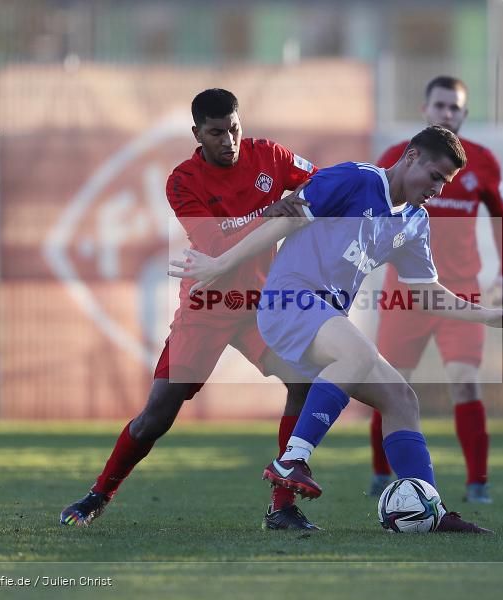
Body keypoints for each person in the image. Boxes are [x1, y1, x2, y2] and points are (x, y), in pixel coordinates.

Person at [173, 126, 503, 533]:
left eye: (445, 182)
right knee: (359, 353)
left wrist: (491, 315)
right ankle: (291, 459)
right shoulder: (355, 179)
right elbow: (284, 223)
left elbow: (426, 294)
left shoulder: (415, 222)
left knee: (402, 399)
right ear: (411, 157)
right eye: (435, 176)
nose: (438, 189)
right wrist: (220, 264)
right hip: (287, 301)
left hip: (324, 318)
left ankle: (431, 509)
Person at [60, 88, 322, 531]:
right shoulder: (182, 179)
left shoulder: (271, 156)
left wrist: (314, 202)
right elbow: (216, 244)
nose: (229, 141)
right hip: (208, 304)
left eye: (234, 129)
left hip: (261, 305)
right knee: (157, 415)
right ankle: (98, 494)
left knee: (303, 380)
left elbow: (319, 182)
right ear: (197, 133)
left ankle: (282, 506)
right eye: (217, 133)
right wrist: (272, 212)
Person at [370, 75, 503, 503]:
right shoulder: (397, 158)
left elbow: (500, 215)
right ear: (425, 110)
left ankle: (478, 484)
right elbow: (374, 217)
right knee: (389, 385)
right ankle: (382, 476)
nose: (447, 113)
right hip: (404, 293)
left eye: (455, 107)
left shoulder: (483, 162)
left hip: (463, 291)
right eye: (440, 105)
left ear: (465, 114)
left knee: (465, 381)